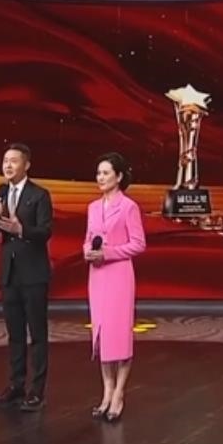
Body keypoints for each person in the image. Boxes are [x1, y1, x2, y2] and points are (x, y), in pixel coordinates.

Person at [0, 143, 54, 412]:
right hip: (10, 274)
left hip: (34, 274)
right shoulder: (1, 193)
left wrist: (21, 229)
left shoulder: (39, 195)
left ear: (27, 165)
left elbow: (45, 232)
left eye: (13, 161)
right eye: (5, 161)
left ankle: (36, 391)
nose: (8, 165)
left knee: (37, 334)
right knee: (14, 334)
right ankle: (16, 385)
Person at [83, 151, 146, 423]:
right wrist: (88, 251)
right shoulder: (93, 207)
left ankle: (119, 393)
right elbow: (89, 238)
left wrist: (108, 253)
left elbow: (138, 244)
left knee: (118, 335)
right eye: (98, 173)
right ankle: (106, 391)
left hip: (119, 275)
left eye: (106, 173)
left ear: (119, 177)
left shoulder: (129, 207)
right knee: (101, 335)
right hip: (97, 276)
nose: (100, 177)